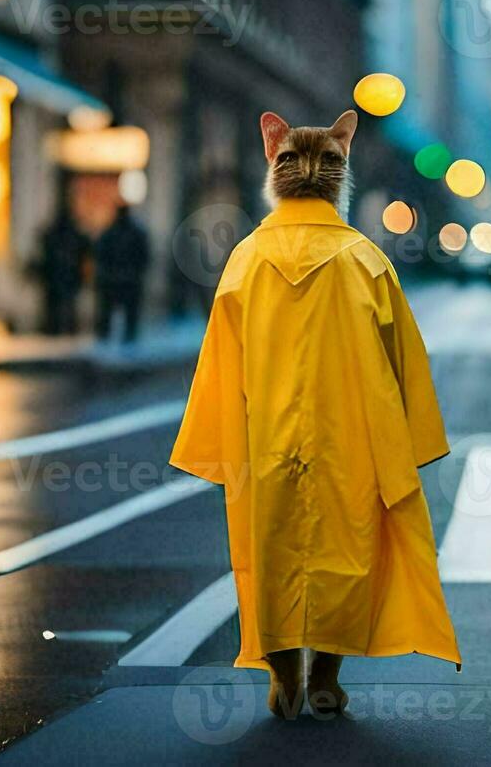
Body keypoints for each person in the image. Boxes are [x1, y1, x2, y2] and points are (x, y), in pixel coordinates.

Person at [170, 110, 460, 720]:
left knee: (269, 554)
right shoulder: (366, 262)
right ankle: (326, 673)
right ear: (341, 172)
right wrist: (410, 441)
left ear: (273, 166)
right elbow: (406, 364)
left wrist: (218, 444)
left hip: (267, 441)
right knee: (343, 555)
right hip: (349, 442)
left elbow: (219, 369)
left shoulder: (245, 261)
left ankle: (282, 677)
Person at [94, 205, 150, 343]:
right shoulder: (131, 233)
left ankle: (111, 337)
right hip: (123, 279)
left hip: (118, 279)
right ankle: (118, 338)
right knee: (117, 313)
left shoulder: (111, 232)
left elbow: (143, 256)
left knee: (113, 313)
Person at [38, 209, 89, 335]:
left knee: (61, 305)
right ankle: (60, 328)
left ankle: (58, 328)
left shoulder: (54, 234)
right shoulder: (68, 235)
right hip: (61, 275)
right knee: (63, 304)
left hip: (60, 275)